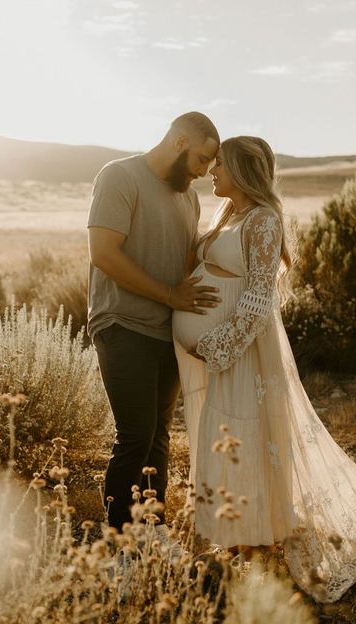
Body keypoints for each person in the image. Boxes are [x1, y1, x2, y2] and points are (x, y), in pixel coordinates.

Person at [172, 136, 356, 603]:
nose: (213, 173)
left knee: (245, 434)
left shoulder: (263, 219)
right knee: (226, 431)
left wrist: (216, 346)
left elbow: (260, 297)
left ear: (242, 171)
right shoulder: (229, 215)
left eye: (220, 166)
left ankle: (254, 539)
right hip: (220, 352)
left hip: (242, 353)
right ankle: (237, 537)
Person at [87, 112, 220, 559]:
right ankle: (121, 549)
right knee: (135, 433)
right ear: (180, 141)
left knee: (160, 435)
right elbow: (104, 253)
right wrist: (169, 294)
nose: (205, 171)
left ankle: (153, 533)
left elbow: (183, 266)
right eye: (202, 159)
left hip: (169, 332)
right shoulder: (119, 176)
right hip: (122, 324)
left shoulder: (190, 200)